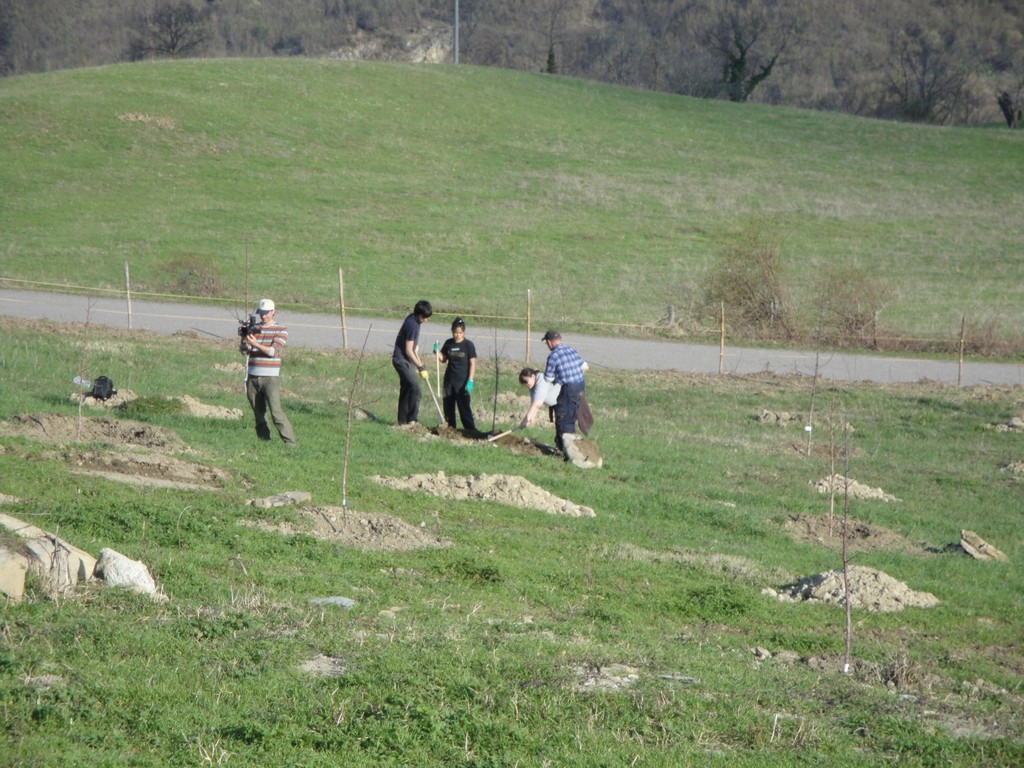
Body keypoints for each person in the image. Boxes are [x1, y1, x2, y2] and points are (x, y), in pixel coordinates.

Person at [240, 298, 296, 445]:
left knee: (276, 413)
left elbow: (274, 352)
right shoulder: (255, 328)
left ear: (273, 312)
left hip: (270, 377)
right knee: (258, 413)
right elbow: (246, 352)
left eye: (266, 313)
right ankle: (264, 441)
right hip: (253, 376)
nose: (263, 316)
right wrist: (244, 340)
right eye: (261, 313)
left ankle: (290, 443)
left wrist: (255, 343)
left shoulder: (281, 329)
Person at [537, 329, 587, 458]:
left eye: (546, 343)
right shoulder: (570, 349)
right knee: (571, 416)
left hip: (569, 388)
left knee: (564, 419)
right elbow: (585, 366)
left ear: (549, 342)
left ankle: (567, 452)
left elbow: (548, 378)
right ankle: (569, 447)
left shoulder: (553, 356)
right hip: (580, 385)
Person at [392, 299, 432, 425]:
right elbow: (408, 351)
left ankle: (402, 421)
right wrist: (420, 366)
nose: (426, 320)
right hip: (401, 360)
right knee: (415, 389)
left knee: (406, 388)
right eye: (424, 317)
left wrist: (415, 348)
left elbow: (411, 347)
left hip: (405, 359)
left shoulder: (413, 319)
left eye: (427, 317)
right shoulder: (412, 325)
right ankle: (412, 419)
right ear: (418, 314)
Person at [438, 317, 477, 432]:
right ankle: (450, 429)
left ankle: (470, 430)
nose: (457, 335)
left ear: (463, 332)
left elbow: (473, 363)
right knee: (448, 406)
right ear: (452, 331)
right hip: (449, 380)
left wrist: (470, 380)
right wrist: (437, 352)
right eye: (455, 332)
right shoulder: (448, 343)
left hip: (462, 381)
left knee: (464, 406)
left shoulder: (468, 345)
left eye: (460, 333)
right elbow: (443, 359)